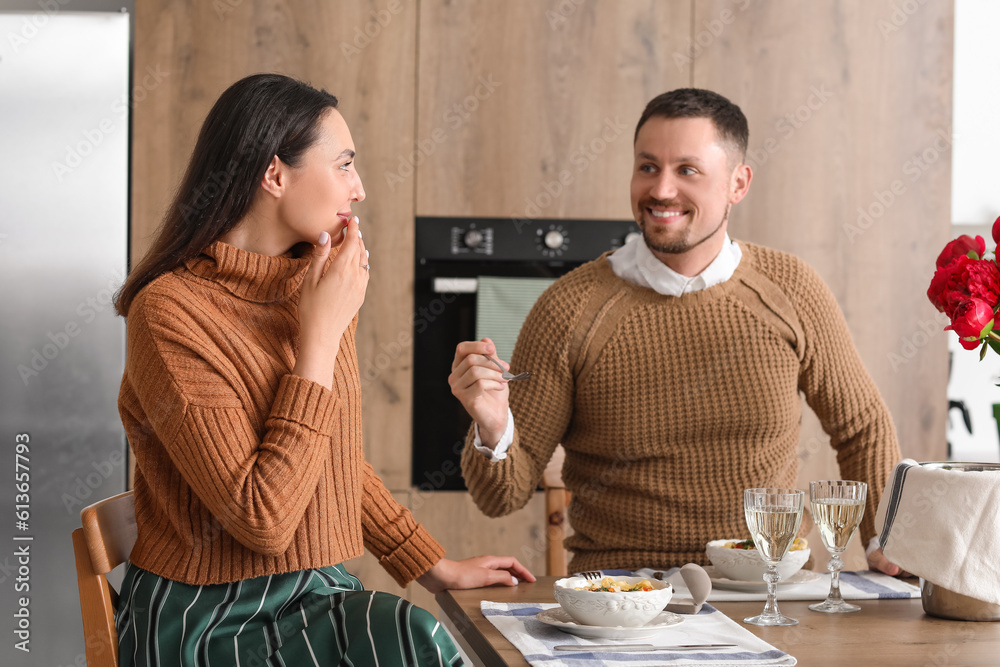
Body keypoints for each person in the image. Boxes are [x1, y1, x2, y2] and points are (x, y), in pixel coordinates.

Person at [113, 73, 533, 667]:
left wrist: (429, 565)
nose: (359, 189)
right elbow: (260, 520)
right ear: (275, 174)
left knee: (426, 636)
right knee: (422, 644)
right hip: (209, 619)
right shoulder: (170, 313)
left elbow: (329, 459)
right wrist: (317, 339)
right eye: (343, 165)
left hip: (311, 591)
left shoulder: (310, 282)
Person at [449, 88, 904, 576]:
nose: (661, 190)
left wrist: (885, 540)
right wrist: (492, 425)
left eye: (687, 170)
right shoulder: (568, 309)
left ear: (738, 183)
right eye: (648, 167)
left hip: (770, 591)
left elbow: (861, 426)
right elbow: (500, 498)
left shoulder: (791, 288)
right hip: (623, 598)